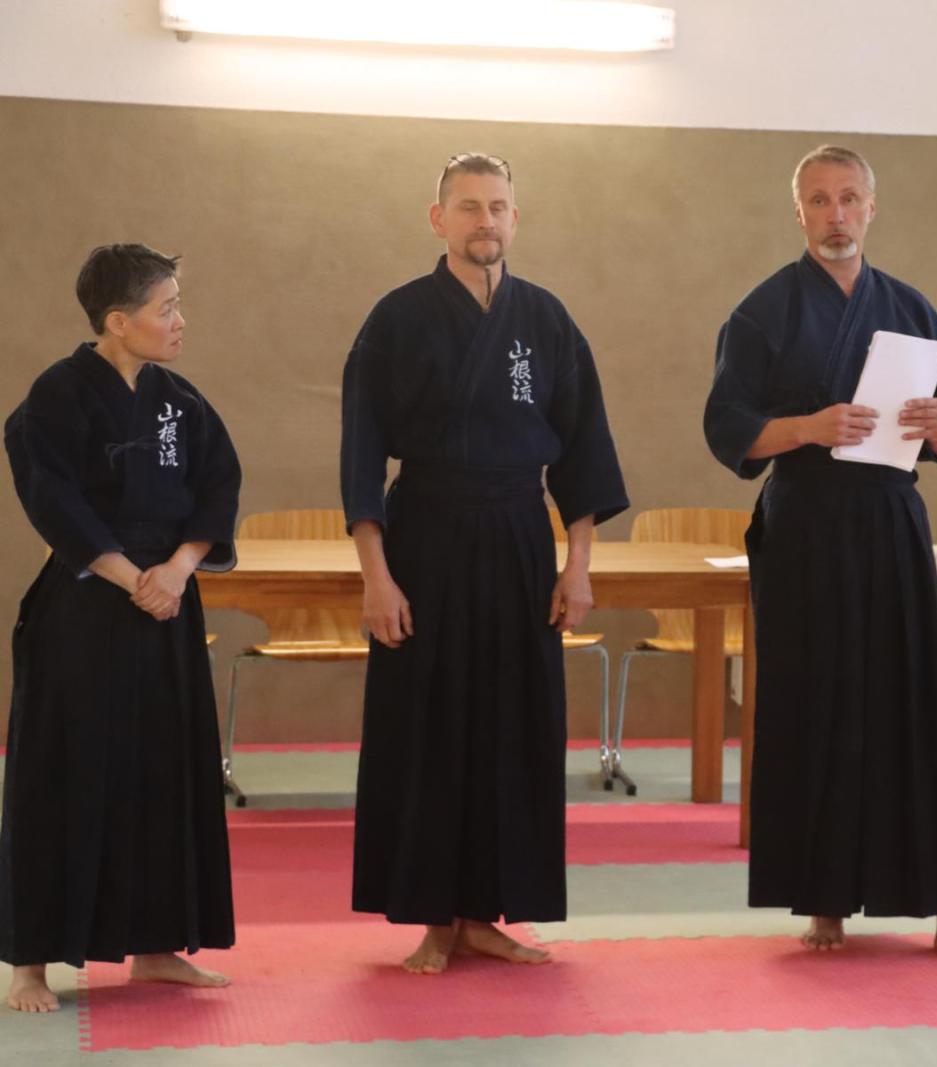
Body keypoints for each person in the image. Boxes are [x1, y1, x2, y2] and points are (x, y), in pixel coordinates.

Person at [704, 145, 937, 968]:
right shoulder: (761, 313)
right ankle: (825, 900)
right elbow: (728, 429)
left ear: (871, 208)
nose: (835, 213)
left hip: (889, 521)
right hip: (804, 525)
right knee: (812, 705)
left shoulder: (910, 307)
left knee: (912, 707)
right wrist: (807, 427)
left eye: (848, 198)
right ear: (798, 212)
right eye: (819, 200)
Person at [341, 153, 628, 975]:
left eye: (498, 207)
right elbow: (361, 455)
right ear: (438, 219)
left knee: (513, 725)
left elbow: (583, 450)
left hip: (517, 536)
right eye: (468, 207)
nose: (485, 221)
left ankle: (486, 914)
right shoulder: (397, 318)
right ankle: (434, 916)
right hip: (424, 536)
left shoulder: (545, 318)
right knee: (427, 724)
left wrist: (577, 564)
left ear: (515, 218)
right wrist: (376, 574)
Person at [2, 244, 240, 1012]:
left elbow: (219, 484)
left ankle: (159, 946)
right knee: (59, 771)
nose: (180, 320)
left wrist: (177, 568)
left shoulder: (179, 401)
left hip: (165, 601)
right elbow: (52, 496)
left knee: (166, 769)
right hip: (84, 603)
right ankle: (31, 961)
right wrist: (129, 575)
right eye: (166, 308)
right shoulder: (58, 395)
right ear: (117, 320)